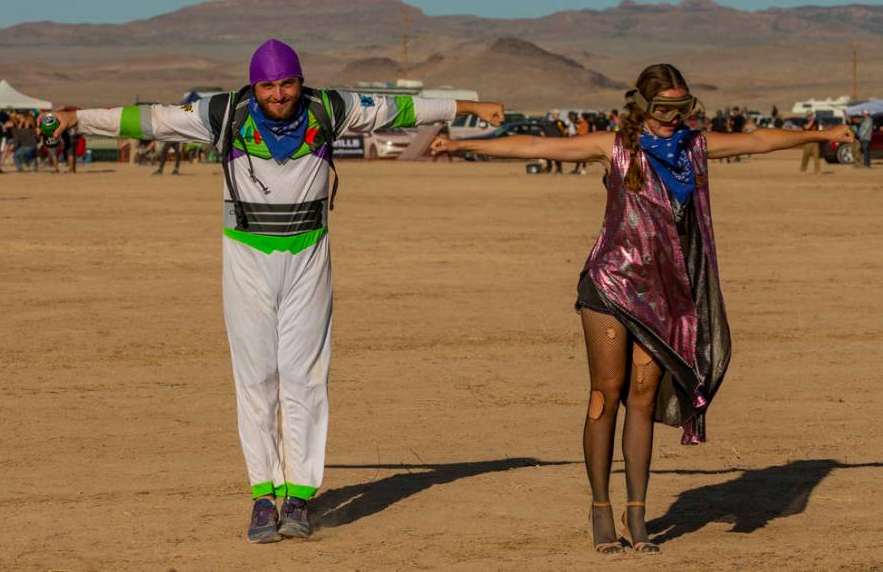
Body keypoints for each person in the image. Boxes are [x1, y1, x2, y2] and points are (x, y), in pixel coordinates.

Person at [46, 38, 504, 544]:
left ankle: (299, 498)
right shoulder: (224, 113)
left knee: (306, 378)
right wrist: (76, 117)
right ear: (255, 84)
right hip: (246, 263)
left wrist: (467, 106)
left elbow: (399, 109)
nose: (279, 94)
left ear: (300, 81)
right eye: (268, 84)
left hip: (309, 259)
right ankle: (263, 496)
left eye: (287, 83)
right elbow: (148, 120)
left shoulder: (330, 108)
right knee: (257, 377)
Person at [430, 63, 853, 554]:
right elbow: (533, 147)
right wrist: (460, 146)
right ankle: (600, 509)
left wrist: (824, 133)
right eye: (664, 109)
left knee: (644, 399)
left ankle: (638, 513)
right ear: (643, 107)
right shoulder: (614, 146)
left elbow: (757, 142)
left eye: (683, 108)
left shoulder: (694, 148)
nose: (674, 118)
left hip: (660, 297)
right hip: (610, 287)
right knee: (605, 394)